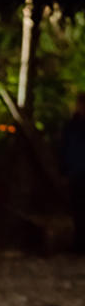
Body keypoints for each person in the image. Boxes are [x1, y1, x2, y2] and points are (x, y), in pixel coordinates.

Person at [60, 92, 85, 251]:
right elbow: (64, 149)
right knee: (77, 209)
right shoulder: (72, 125)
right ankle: (79, 243)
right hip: (75, 173)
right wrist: (64, 170)